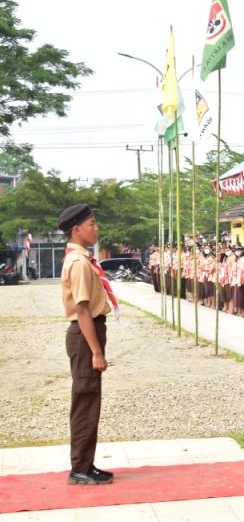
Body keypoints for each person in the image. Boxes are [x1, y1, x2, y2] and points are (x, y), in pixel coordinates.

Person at [58, 204, 115, 485]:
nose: (96, 228)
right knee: (85, 400)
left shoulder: (82, 258)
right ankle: (79, 467)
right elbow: (82, 310)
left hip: (88, 331)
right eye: (91, 224)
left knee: (90, 399)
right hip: (85, 335)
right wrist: (96, 351)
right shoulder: (79, 262)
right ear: (76, 229)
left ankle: (86, 463)